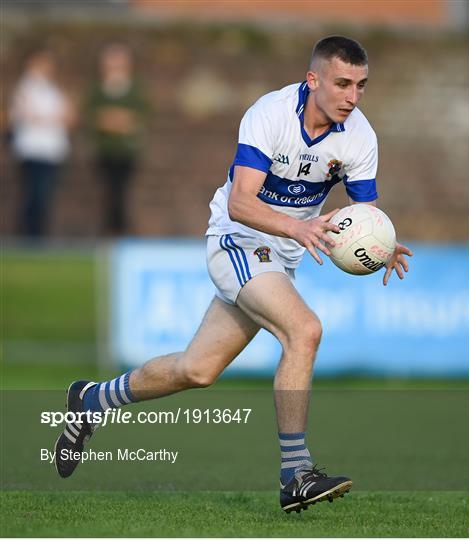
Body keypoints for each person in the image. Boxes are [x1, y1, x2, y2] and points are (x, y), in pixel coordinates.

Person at [54, 36, 412, 513]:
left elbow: (363, 215)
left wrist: (380, 245)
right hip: (236, 240)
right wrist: (296, 226)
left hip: (279, 257)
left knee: (197, 370)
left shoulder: (361, 137)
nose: (353, 96)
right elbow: (242, 202)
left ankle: (92, 399)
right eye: (343, 83)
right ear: (314, 80)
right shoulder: (270, 114)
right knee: (304, 331)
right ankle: (295, 473)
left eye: (361, 85)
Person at [9, 49, 76, 237]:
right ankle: (29, 235)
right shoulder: (24, 88)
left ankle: (38, 234)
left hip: (52, 151)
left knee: (44, 195)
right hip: (32, 150)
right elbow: (29, 115)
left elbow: (70, 117)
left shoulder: (54, 90)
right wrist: (52, 118)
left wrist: (50, 118)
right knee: (33, 194)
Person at [85, 42, 148, 235]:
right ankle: (109, 230)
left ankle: (120, 230)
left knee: (122, 193)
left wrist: (114, 120)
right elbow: (93, 116)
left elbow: (139, 117)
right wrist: (117, 121)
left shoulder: (134, 87)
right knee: (107, 193)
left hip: (126, 152)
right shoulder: (98, 88)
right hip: (105, 151)